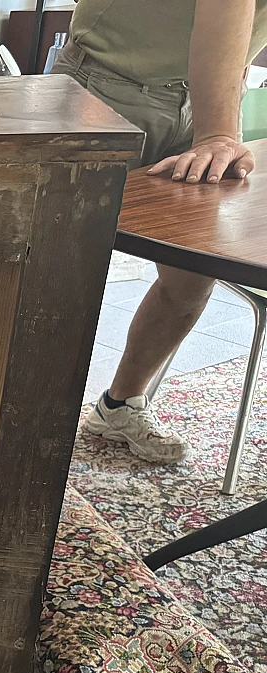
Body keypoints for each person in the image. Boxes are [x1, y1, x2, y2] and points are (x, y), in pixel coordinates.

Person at [52, 0, 267, 462]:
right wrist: (218, 134)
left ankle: (119, 405)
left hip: (209, 97)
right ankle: (7, 423)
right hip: (106, 89)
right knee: (54, 273)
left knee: (190, 278)